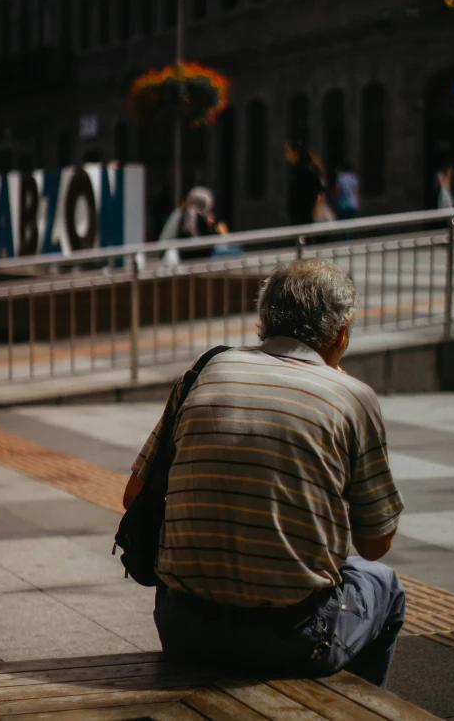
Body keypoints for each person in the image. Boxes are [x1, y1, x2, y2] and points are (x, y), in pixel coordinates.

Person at [124, 258, 405, 688]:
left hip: (183, 628)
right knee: (385, 586)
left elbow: (134, 496)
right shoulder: (351, 397)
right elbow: (374, 544)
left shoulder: (205, 371)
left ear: (264, 318)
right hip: (291, 638)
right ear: (342, 330)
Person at [286, 141, 324, 227]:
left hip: (304, 215)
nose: (287, 155)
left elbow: (320, 192)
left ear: (295, 153)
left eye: (288, 151)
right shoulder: (297, 169)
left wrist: (315, 211)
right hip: (298, 215)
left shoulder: (306, 170)